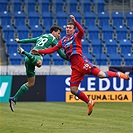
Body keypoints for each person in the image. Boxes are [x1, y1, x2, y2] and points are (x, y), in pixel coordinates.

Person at [32, 15, 130, 115]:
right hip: (75, 67)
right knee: (73, 90)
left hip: (82, 62)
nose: (68, 29)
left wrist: (75, 21)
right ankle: (89, 102)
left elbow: (82, 31)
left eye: (70, 28)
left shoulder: (76, 36)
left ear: (74, 30)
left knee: (101, 75)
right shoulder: (63, 41)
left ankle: (118, 74)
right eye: (67, 27)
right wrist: (39, 51)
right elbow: (52, 49)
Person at [9, 26, 68, 112]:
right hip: (36, 56)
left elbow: (30, 40)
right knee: (39, 64)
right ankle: (24, 52)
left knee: (31, 83)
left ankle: (14, 98)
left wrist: (19, 41)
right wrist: (71, 57)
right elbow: (62, 55)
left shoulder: (42, 36)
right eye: (58, 33)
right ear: (53, 32)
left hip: (29, 59)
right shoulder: (53, 40)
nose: (59, 36)